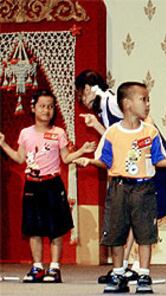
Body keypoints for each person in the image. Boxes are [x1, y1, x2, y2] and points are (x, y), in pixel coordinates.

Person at [75, 70, 166, 284]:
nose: (81, 98)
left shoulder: (112, 100)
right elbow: (119, 137)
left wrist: (147, 137)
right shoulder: (104, 106)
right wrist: (95, 125)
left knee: (139, 214)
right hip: (132, 160)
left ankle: (131, 267)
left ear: (86, 89)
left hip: (145, 156)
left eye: (80, 93)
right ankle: (124, 267)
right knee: (131, 214)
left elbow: (139, 125)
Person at [0, 89, 96, 283]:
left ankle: (54, 268)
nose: (46, 110)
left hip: (52, 184)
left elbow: (66, 158)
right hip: (32, 185)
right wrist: (2, 144)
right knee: (33, 228)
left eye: (50, 107)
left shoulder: (58, 133)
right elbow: (19, 158)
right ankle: (37, 268)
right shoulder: (25, 133)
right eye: (42, 106)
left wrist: (83, 151)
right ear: (33, 108)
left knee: (56, 229)